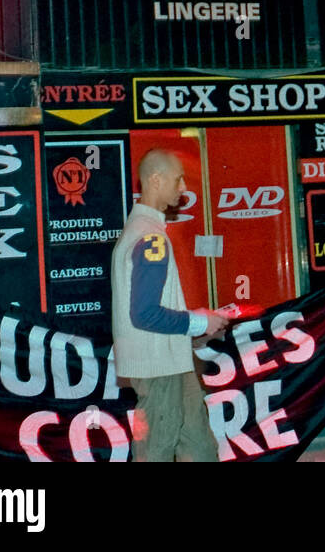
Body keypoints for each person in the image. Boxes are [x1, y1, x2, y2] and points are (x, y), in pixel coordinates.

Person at [111, 149, 228, 462]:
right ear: (155, 180)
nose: (184, 189)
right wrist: (200, 322)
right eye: (178, 180)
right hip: (159, 366)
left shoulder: (143, 232)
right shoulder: (151, 239)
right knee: (156, 452)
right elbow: (145, 314)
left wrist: (197, 323)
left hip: (171, 363)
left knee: (200, 447)